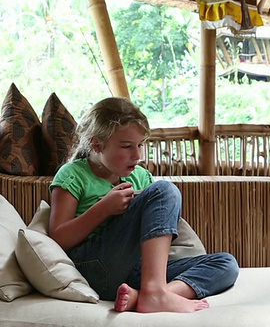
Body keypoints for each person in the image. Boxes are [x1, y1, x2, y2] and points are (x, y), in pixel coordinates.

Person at [48, 97, 239, 313]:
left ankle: (146, 294)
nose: (137, 155)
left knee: (226, 264)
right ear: (96, 144)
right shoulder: (74, 175)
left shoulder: (141, 177)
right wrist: (104, 209)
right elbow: (58, 238)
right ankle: (155, 292)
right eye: (127, 146)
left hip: (136, 273)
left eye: (140, 145)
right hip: (95, 268)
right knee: (165, 189)